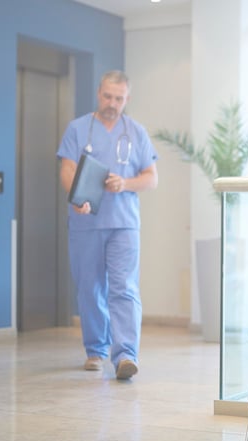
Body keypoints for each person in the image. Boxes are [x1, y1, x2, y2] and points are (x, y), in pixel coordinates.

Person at [57, 70, 158, 380]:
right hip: (86, 221)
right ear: (99, 94)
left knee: (124, 288)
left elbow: (151, 178)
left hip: (124, 224)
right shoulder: (78, 129)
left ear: (126, 99)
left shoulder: (136, 131)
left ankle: (126, 354)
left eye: (119, 98)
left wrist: (124, 183)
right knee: (90, 288)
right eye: (107, 96)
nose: (112, 103)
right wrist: (76, 197)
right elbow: (67, 169)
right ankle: (96, 350)